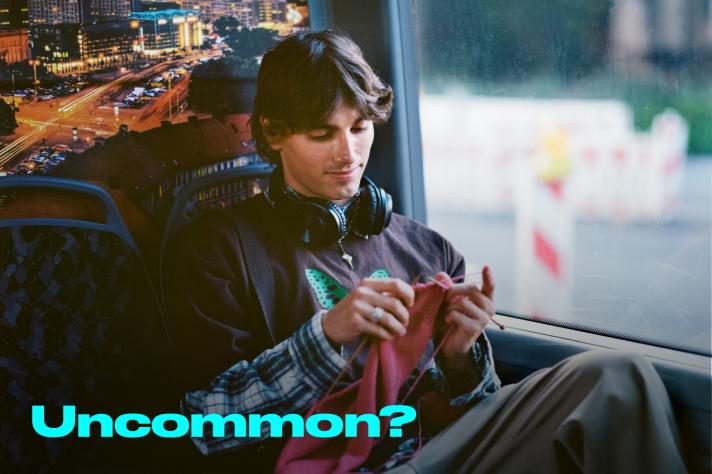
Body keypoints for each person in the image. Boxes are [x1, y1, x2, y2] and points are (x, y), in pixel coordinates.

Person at [168, 30, 687, 473]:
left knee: (618, 376)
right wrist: (328, 336)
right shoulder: (220, 249)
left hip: (436, 452)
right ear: (274, 134)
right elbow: (207, 425)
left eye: (359, 128)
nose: (348, 154)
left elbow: (476, 411)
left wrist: (462, 356)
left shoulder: (425, 247)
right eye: (321, 133)